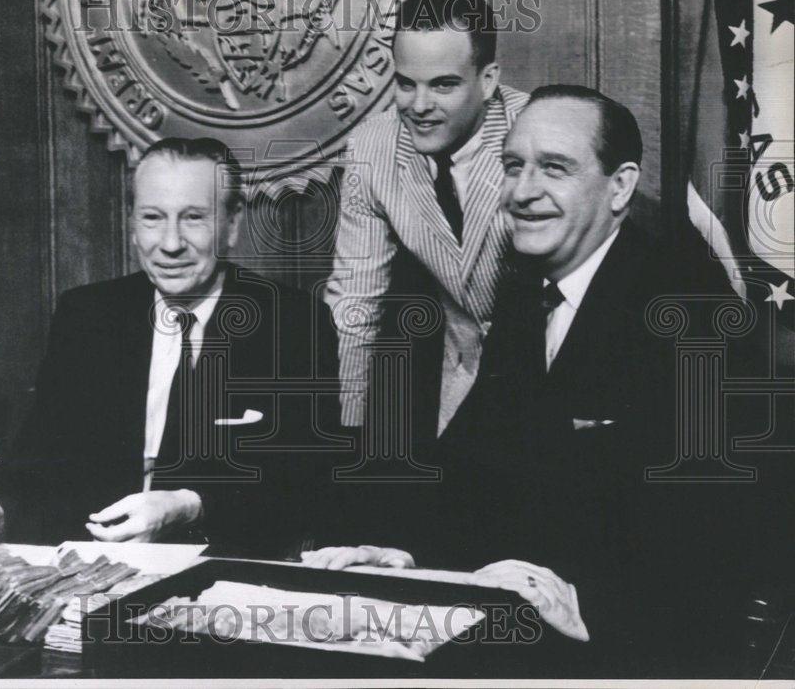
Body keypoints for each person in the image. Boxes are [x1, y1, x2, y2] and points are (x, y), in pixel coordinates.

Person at [306, 86, 772, 675]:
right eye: (512, 166)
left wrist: (580, 603)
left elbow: (722, 533)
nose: (522, 193)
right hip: (528, 634)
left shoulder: (690, 309)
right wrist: (398, 552)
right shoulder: (528, 290)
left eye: (554, 168)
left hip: (642, 648)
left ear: (621, 186)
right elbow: (474, 469)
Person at [0, 137, 341, 555]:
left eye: (193, 218)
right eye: (153, 218)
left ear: (231, 224)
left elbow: (304, 483)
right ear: (133, 224)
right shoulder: (87, 315)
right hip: (91, 565)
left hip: (225, 575)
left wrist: (186, 505)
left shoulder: (294, 323)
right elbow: (38, 459)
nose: (170, 244)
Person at [325, 0, 528, 439]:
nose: (418, 106)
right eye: (405, 82)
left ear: (489, 79)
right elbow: (355, 301)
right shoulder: (372, 146)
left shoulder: (534, 130)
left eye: (443, 84)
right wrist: (344, 430)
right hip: (453, 387)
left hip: (548, 378)